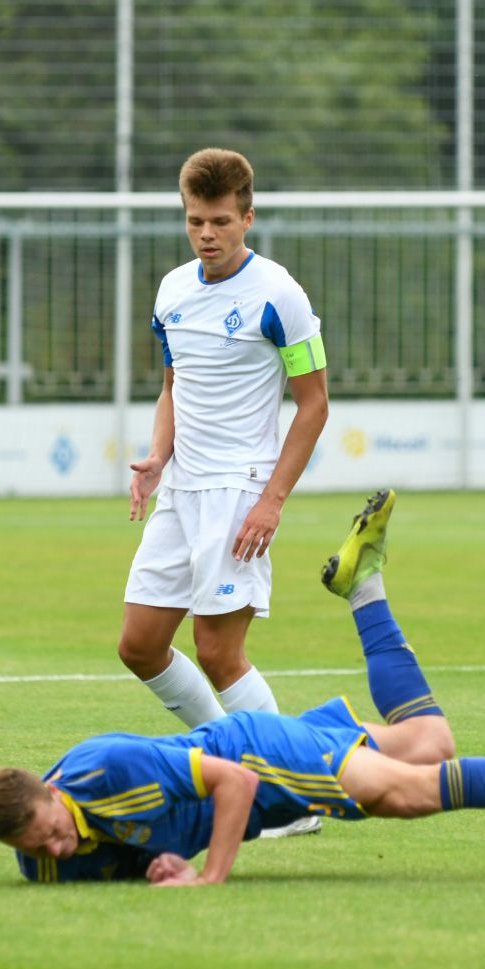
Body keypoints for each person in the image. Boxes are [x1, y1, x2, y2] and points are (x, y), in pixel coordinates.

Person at [0, 489, 485, 885]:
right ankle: (364, 588)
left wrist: (208, 877)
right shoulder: (46, 864)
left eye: (51, 828)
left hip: (256, 757)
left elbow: (235, 782)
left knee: (406, 795)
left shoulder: (105, 768)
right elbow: (134, 849)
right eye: (38, 844)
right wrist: (159, 868)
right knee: (432, 743)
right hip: (256, 771)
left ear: (53, 791)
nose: (56, 844)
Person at [119, 147, 328, 735]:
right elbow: (173, 387)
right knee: (139, 645)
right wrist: (159, 456)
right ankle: (225, 750)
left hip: (239, 489)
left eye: (220, 222)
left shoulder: (280, 295)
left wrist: (273, 501)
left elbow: (315, 405)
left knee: (217, 652)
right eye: (195, 222)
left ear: (248, 218)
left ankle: (293, 791)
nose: (206, 235)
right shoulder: (171, 292)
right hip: (181, 488)